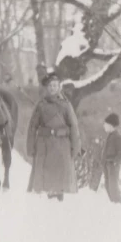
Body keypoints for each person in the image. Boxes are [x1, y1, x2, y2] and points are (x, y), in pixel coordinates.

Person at [26, 73, 81, 201]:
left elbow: (73, 126)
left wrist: (75, 147)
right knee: (46, 183)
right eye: (50, 85)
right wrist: (31, 147)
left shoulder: (66, 105)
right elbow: (32, 127)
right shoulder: (41, 105)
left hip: (62, 145)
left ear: (59, 87)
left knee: (61, 180)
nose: (52, 88)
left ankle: (59, 203)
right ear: (47, 87)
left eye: (55, 85)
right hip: (44, 146)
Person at [101, 113, 121, 203]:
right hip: (107, 164)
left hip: (112, 165)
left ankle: (117, 202)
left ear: (111, 125)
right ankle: (112, 202)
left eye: (105, 124)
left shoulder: (118, 137)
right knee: (108, 185)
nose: (104, 126)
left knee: (113, 185)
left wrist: (115, 162)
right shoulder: (109, 137)